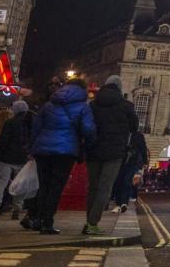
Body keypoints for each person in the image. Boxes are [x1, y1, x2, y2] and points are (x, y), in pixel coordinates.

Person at [29, 77, 96, 235]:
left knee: (44, 185)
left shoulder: (49, 104)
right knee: (55, 187)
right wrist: (87, 145)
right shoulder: (82, 107)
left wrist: (33, 147)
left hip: (42, 150)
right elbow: (89, 130)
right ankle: (47, 222)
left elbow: (36, 127)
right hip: (66, 151)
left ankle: (37, 218)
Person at [86, 76, 137, 235]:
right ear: (119, 88)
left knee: (93, 188)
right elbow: (134, 127)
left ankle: (89, 222)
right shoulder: (126, 106)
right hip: (115, 151)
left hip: (93, 149)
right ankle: (92, 223)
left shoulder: (93, 104)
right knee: (105, 188)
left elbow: (86, 125)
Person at [0, 101, 31, 220]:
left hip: (6, 158)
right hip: (22, 159)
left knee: (1, 184)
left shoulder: (9, 123)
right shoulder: (29, 124)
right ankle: (17, 210)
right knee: (19, 185)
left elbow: (3, 141)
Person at [112, 125, 147, 212]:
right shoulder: (135, 135)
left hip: (127, 161)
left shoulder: (131, 134)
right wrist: (145, 161)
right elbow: (143, 149)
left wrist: (144, 161)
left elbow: (143, 149)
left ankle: (122, 203)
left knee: (123, 181)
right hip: (124, 160)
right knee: (122, 182)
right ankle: (120, 203)